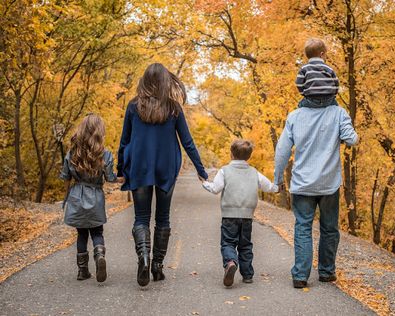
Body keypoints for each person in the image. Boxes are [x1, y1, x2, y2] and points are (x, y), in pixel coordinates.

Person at [117, 63, 208, 287]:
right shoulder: (173, 108)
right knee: (163, 218)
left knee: (141, 218)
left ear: (145, 81)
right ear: (166, 82)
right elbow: (187, 141)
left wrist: (120, 169)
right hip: (166, 168)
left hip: (139, 167)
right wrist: (201, 170)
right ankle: (157, 266)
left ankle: (144, 258)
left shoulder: (133, 107)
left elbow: (124, 141)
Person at [273, 103, 358, 288]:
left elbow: (282, 151)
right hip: (329, 184)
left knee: (303, 227)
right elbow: (352, 139)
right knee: (329, 228)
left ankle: (301, 275)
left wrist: (278, 179)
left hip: (302, 184)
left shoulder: (295, 116)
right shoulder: (338, 113)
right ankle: (326, 272)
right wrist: (340, 134)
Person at [202, 139, 278, 287]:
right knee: (245, 245)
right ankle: (248, 274)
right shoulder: (254, 172)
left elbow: (215, 188)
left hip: (229, 216)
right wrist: (278, 188)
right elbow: (268, 186)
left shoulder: (224, 170)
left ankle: (230, 262)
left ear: (231, 154)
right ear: (249, 156)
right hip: (247, 216)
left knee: (228, 242)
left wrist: (205, 183)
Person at [60, 114, 119, 283]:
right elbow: (110, 178)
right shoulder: (105, 154)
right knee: (97, 231)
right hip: (96, 197)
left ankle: (82, 271)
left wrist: (67, 197)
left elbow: (65, 176)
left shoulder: (73, 153)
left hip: (77, 195)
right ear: (99, 132)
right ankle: (99, 255)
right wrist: (121, 178)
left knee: (81, 234)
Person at [296, 38, 340, 109]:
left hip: (311, 100)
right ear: (321, 54)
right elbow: (336, 83)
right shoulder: (328, 69)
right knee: (336, 108)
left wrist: (304, 94)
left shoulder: (304, 69)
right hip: (328, 99)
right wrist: (333, 95)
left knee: (300, 105)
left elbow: (299, 83)